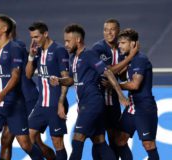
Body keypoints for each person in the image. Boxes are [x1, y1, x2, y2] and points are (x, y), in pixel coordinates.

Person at [50, 24, 129, 160]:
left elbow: (107, 72)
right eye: (65, 41)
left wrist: (121, 95)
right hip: (85, 105)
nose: (66, 44)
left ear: (78, 40)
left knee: (77, 140)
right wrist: (60, 80)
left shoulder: (89, 54)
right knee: (99, 141)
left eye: (68, 41)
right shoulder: (74, 58)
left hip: (92, 103)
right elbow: (72, 80)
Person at [0, 14, 43, 160]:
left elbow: (15, 75)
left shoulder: (15, 48)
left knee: (25, 143)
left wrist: (3, 93)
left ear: (4, 28)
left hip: (14, 103)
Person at [91, 19, 138, 159]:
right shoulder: (98, 48)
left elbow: (122, 74)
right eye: (106, 30)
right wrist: (130, 58)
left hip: (113, 101)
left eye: (112, 29)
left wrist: (127, 63)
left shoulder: (122, 48)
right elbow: (108, 70)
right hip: (98, 100)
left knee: (115, 138)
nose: (108, 33)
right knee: (98, 139)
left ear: (118, 31)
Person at [26, 21, 69, 160]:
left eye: (37, 37)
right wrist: (31, 56)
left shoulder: (59, 50)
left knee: (57, 142)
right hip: (41, 104)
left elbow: (66, 79)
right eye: (32, 37)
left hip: (56, 104)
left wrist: (61, 103)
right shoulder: (37, 52)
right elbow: (28, 75)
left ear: (45, 34)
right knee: (29, 138)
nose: (34, 40)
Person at [115, 28, 159, 160]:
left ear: (133, 44)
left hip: (144, 108)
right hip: (131, 107)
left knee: (148, 144)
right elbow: (118, 74)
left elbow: (135, 85)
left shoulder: (140, 59)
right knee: (120, 140)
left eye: (123, 43)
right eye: (119, 43)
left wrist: (114, 86)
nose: (119, 46)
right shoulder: (128, 58)